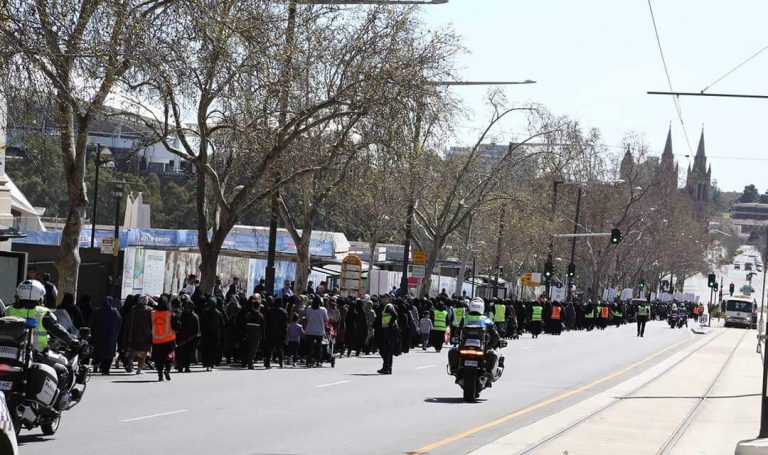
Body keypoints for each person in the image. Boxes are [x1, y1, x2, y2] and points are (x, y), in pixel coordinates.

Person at [89, 296, 122, 375]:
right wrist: (115, 334)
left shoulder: (97, 311)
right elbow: (119, 323)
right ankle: (105, 369)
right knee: (108, 354)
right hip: (110, 337)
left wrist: (93, 334)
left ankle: (96, 365)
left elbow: (92, 323)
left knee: (98, 352)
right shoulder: (115, 312)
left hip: (98, 336)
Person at [122, 295, 153, 374]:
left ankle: (130, 362)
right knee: (143, 352)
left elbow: (128, 322)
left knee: (132, 350)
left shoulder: (133, 309)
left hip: (133, 334)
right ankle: (139, 369)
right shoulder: (149, 310)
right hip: (145, 335)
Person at [151, 296, 179, 382]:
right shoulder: (170, 314)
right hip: (169, 340)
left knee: (158, 359)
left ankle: (160, 375)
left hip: (156, 340)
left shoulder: (153, 313)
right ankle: (167, 370)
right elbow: (176, 326)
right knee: (169, 357)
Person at [175, 295, 200, 372]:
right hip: (183, 338)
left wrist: (195, 338)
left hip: (189, 338)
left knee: (187, 353)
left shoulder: (194, 316)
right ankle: (181, 366)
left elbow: (197, 329)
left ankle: (186, 366)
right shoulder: (182, 315)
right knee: (181, 352)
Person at [239, 297, 264, 369]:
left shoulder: (248, 315)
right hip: (256, 335)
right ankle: (250, 363)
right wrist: (262, 335)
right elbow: (262, 327)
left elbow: (244, 324)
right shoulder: (260, 316)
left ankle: (244, 362)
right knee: (253, 349)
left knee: (247, 348)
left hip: (248, 333)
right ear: (258, 307)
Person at [263, 296, 288, 369]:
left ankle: (267, 362)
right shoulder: (284, 312)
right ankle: (281, 362)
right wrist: (285, 334)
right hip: (280, 333)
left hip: (270, 332)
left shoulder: (269, 310)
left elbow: (266, 321)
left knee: (269, 348)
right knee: (279, 348)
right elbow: (285, 325)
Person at [377, 294, 398, 374]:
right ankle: (386, 367)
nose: (382, 299)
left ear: (387, 299)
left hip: (389, 331)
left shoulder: (388, 306)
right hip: (388, 331)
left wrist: (389, 324)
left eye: (383, 298)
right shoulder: (386, 306)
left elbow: (395, 315)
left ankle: (387, 368)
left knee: (387, 350)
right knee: (386, 350)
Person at [305, 296, 328, 367]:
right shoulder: (323, 310)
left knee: (310, 347)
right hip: (319, 331)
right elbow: (326, 319)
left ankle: (309, 361)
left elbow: (307, 318)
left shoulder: (309, 309)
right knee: (318, 347)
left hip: (310, 330)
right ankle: (318, 361)